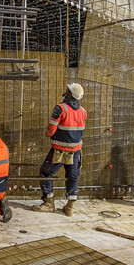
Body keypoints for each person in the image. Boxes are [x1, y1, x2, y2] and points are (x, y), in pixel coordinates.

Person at [31, 83, 87, 217]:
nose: (65, 90)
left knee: (45, 172)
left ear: (69, 94)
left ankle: (49, 203)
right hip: (75, 151)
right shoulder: (83, 111)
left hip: (60, 150)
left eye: (67, 90)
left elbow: (51, 129)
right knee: (72, 176)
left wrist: (49, 135)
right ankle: (70, 207)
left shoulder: (60, 108)